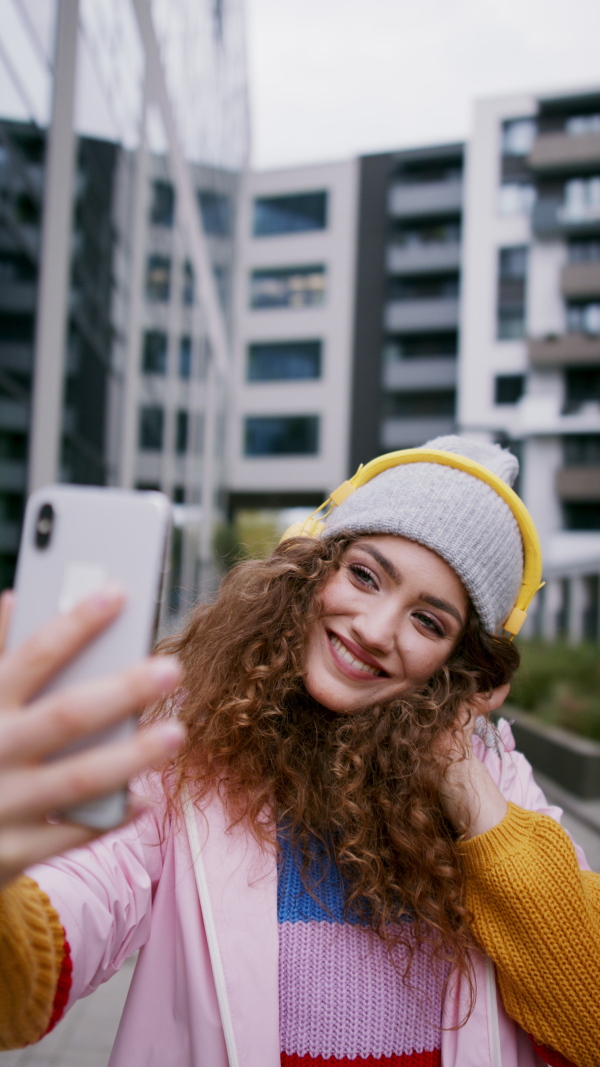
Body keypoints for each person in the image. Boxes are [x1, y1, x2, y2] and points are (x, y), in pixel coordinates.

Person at [0, 436, 598, 1067]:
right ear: (311, 567)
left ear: (465, 669)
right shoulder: (184, 745)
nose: (373, 630)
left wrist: (467, 790)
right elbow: (50, 943)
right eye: (364, 576)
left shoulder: (497, 781)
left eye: (429, 622)